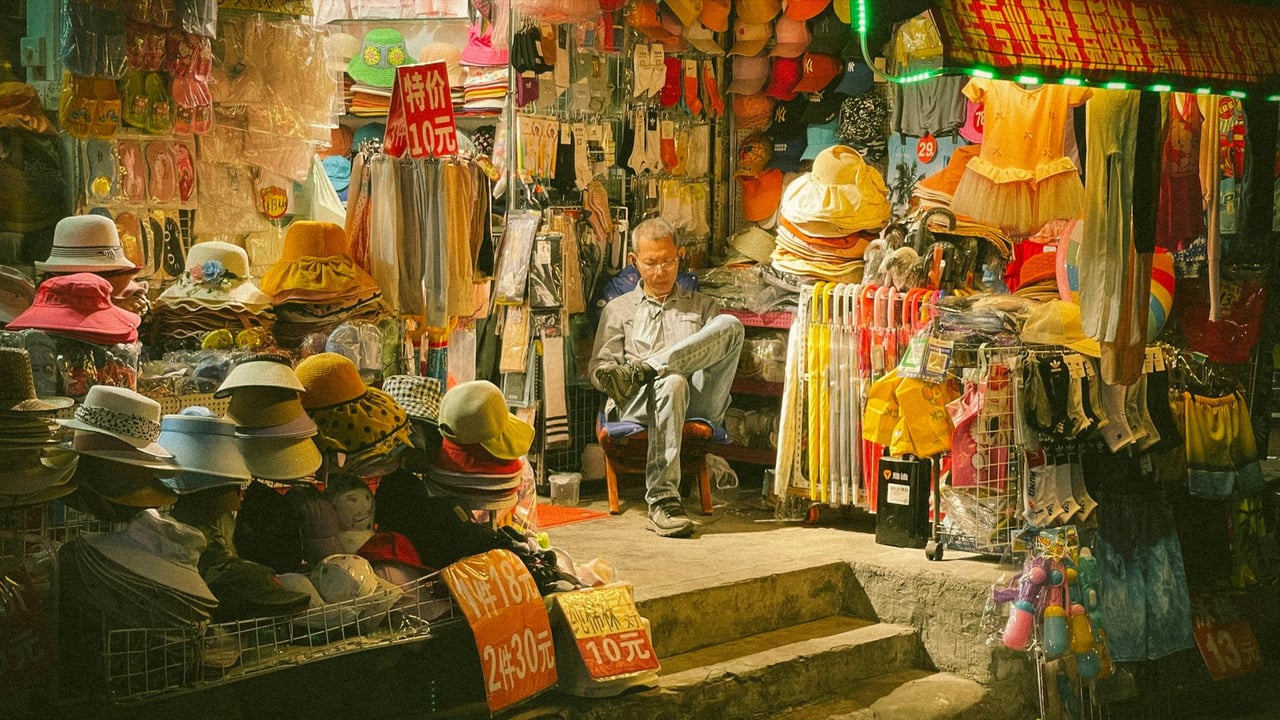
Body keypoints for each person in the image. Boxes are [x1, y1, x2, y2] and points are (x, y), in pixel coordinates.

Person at [589, 218, 744, 538]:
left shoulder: (702, 305)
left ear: (680, 256)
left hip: (697, 399)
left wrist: (658, 366)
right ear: (634, 262)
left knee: (731, 326)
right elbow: (598, 369)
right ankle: (662, 501)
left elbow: (715, 358)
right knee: (671, 383)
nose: (660, 271)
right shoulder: (619, 309)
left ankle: (650, 366)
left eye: (668, 261)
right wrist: (611, 377)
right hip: (639, 400)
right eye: (651, 263)